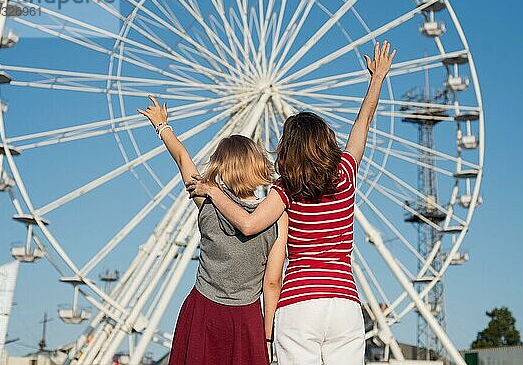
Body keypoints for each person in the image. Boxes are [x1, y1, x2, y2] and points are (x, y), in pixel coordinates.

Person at [186, 41, 395, 365]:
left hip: (299, 302)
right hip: (344, 303)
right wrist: (377, 79)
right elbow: (361, 125)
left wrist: (212, 191)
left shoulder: (285, 190)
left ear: (287, 150)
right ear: (327, 142)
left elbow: (248, 224)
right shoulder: (345, 174)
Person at [138, 96, 288, 365]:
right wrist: (267, 338)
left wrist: (162, 126)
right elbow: (273, 282)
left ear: (221, 167)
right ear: (258, 167)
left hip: (203, 309)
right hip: (246, 317)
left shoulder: (207, 202)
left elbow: (183, 159)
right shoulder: (276, 218)